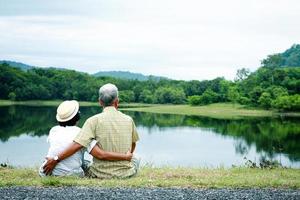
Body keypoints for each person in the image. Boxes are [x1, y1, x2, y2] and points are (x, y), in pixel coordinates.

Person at [43, 83, 140, 179]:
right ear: (117, 101)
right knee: (136, 159)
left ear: (100, 102)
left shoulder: (92, 121)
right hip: (126, 173)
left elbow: (78, 144)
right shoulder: (129, 120)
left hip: (99, 173)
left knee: (85, 163)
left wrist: (56, 159)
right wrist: (126, 156)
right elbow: (133, 144)